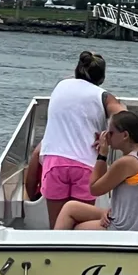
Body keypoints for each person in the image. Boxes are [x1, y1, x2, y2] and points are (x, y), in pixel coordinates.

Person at [39, 51, 127, 228]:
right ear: (102, 78)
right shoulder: (103, 96)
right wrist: (107, 136)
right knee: (79, 228)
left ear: (77, 70)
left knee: (56, 226)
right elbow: (124, 116)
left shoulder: (61, 85)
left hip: (55, 162)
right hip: (85, 164)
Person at [54, 111, 138, 232]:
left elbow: (94, 189)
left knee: (77, 228)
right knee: (70, 207)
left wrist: (102, 154)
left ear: (125, 135)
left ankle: (54, 248)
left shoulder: (127, 162)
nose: (107, 137)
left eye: (111, 133)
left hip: (126, 229)